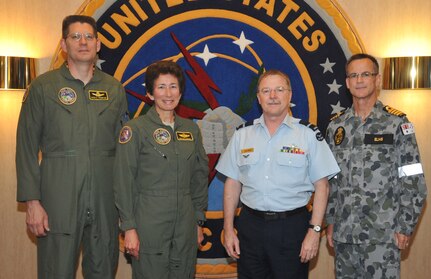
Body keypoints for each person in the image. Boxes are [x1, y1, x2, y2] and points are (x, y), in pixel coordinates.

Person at [16, 15, 129, 278]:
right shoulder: (43, 88)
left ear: (98, 45)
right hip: (58, 197)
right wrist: (32, 202)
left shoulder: (114, 89)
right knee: (55, 270)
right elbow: (26, 147)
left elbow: (125, 152)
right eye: (75, 37)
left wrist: (125, 206)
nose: (83, 42)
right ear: (64, 44)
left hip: (104, 198)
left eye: (89, 37)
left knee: (103, 268)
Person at [216, 69, 340, 279]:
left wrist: (314, 231)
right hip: (250, 226)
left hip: (291, 228)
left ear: (289, 96)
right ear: (258, 98)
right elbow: (232, 183)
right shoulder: (242, 134)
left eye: (279, 90)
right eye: (266, 90)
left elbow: (322, 186)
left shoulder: (308, 134)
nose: (273, 96)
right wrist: (228, 229)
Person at [325, 53, 427, 278]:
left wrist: (405, 225)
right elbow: (331, 182)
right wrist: (330, 222)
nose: (359, 80)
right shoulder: (336, 127)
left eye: (365, 74)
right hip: (345, 236)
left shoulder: (397, 123)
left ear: (377, 80)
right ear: (348, 82)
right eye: (354, 75)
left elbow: (412, 180)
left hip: (383, 235)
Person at [113, 60, 209, 278]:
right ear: (150, 93)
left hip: (185, 222)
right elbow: (123, 180)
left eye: (173, 86)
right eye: (161, 87)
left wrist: (198, 221)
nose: (168, 93)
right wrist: (129, 227)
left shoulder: (191, 129)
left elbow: (199, 177)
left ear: (181, 92)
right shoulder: (135, 130)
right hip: (149, 221)